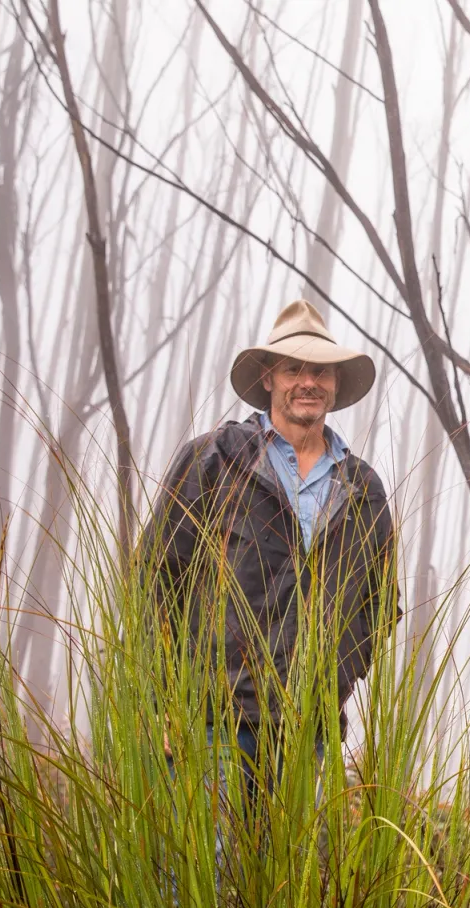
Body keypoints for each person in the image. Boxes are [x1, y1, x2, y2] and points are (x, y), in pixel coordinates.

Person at [144, 298, 398, 785]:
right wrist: (166, 701)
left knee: (293, 863)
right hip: (213, 721)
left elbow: (380, 603)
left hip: (310, 729)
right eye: (293, 368)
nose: (309, 381)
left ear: (336, 383)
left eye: (321, 371)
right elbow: (157, 578)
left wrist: (335, 678)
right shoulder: (214, 460)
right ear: (268, 378)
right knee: (218, 862)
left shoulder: (363, 488)